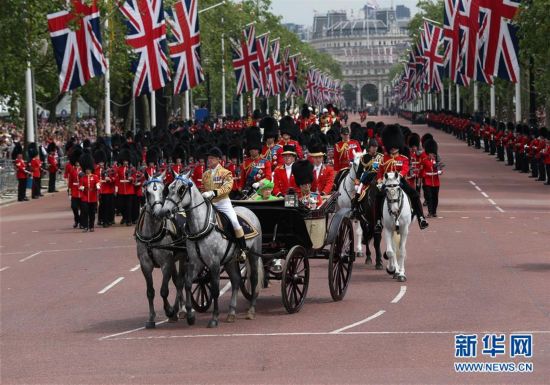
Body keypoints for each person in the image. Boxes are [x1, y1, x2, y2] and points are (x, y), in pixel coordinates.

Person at [374, 125, 429, 232]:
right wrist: (380, 181)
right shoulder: (384, 158)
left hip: (400, 181)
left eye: (395, 145)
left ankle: (421, 218)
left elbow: (405, 168)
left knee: (414, 195)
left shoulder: (403, 158)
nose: (393, 147)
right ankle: (378, 222)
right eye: (391, 145)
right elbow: (380, 171)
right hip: (386, 182)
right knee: (378, 197)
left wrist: (399, 176)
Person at [201, 147, 248, 261]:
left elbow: (227, 188)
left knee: (234, 222)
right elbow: (202, 188)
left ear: (218, 160)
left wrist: (213, 193)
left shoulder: (226, 172)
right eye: (208, 158)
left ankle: (242, 249)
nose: (209, 160)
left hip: (223, 203)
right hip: (209, 204)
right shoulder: (205, 174)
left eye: (212, 158)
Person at [420, 139, 442, 218]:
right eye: (431, 154)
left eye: (433, 154)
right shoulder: (425, 161)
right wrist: (424, 175)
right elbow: (421, 170)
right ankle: (430, 212)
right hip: (427, 181)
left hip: (436, 181)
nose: (432, 155)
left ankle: (434, 211)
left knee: (435, 197)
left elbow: (440, 170)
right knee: (429, 197)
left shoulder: (436, 161)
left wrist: (439, 171)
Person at [79, 153, 100, 232]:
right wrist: (84, 188)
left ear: (91, 169)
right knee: (84, 212)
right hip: (85, 196)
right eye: (86, 169)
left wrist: (97, 186)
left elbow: (97, 183)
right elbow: (80, 186)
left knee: (92, 213)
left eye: (89, 169)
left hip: (93, 197)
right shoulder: (83, 177)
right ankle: (85, 226)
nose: (87, 170)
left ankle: (91, 226)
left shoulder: (95, 177)